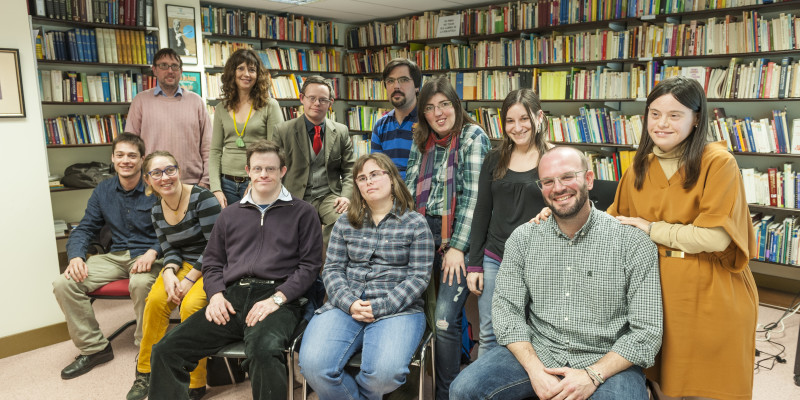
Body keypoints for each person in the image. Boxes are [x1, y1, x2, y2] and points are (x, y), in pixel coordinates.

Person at [450, 146, 663, 400]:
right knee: (463, 390)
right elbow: (507, 313)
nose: (558, 188)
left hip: (608, 359)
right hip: (541, 350)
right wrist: (535, 370)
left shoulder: (632, 242)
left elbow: (646, 332)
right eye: (548, 181)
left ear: (589, 179)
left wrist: (592, 375)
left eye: (567, 177)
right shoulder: (523, 239)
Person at [607, 76, 758, 400]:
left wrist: (651, 229)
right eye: (654, 113)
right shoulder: (638, 169)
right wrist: (556, 215)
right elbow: (613, 222)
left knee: (708, 386)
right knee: (663, 382)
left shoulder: (718, 163)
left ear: (696, 118)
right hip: (656, 293)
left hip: (710, 293)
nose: (662, 123)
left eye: (675, 115)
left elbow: (716, 238)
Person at [148, 140, 323, 400]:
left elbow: (310, 267)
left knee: (264, 350)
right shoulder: (229, 215)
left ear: (282, 171)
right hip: (232, 297)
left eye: (271, 169)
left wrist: (278, 299)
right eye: (258, 168)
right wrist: (216, 294)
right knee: (166, 349)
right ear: (248, 171)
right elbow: (213, 261)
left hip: (280, 298)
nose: (264, 174)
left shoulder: (304, 212)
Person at [299, 153, 434, 400]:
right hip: (344, 305)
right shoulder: (345, 222)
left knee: (384, 375)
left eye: (374, 175)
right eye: (361, 178)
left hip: (398, 309)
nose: (368, 182)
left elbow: (419, 277)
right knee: (313, 367)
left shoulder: (415, 223)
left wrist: (381, 306)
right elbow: (332, 269)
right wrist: (349, 302)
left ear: (392, 179)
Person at [404, 75, 490, 400]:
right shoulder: (420, 138)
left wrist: (456, 247)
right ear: (423, 113)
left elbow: (474, 199)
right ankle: (412, 384)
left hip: (460, 235)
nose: (438, 113)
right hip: (422, 231)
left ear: (456, 104)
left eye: (444, 104)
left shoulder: (472, 136)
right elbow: (410, 189)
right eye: (430, 107)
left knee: (442, 318)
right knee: (415, 308)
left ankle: (446, 393)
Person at [53, 133, 162, 380]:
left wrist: (154, 250)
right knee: (64, 284)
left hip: (149, 255)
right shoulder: (103, 190)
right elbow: (86, 227)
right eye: (120, 155)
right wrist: (75, 257)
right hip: (115, 257)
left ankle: (148, 352)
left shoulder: (155, 186)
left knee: (141, 283)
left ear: (142, 159)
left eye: (132, 155)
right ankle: (94, 349)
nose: (126, 160)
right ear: (112, 158)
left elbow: (171, 228)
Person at [126, 151, 222, 400]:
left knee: (191, 306)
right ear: (148, 180)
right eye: (156, 173)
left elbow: (216, 246)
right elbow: (168, 247)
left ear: (179, 170)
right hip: (182, 265)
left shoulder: (203, 198)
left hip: (213, 264)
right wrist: (169, 271)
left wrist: (190, 280)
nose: (165, 177)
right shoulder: (156, 207)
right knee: (156, 301)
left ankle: (195, 381)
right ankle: (145, 371)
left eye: (170, 170)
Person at [466, 88, 550, 356]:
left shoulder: (553, 160)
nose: (517, 127)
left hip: (539, 260)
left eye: (524, 119)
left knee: (532, 335)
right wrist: (475, 264)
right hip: (494, 257)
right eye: (510, 121)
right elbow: (481, 211)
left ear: (539, 117)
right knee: (489, 333)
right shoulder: (494, 158)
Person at [273, 75, 355, 245]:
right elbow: (274, 169)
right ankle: (308, 266)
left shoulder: (341, 131)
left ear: (330, 103)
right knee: (291, 232)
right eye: (312, 98)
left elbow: (350, 170)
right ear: (302, 98)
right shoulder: (283, 131)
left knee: (343, 221)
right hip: (294, 197)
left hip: (329, 196)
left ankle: (325, 265)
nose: (317, 103)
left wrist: (346, 197)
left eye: (323, 100)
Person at [125, 48, 212, 187]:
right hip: (153, 184)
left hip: (192, 184)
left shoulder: (196, 102)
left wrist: (205, 182)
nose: (170, 71)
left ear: (181, 71)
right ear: (154, 70)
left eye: (175, 66)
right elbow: (130, 147)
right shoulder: (140, 101)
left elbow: (208, 148)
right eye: (164, 65)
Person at [209, 48, 284, 207]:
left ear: (258, 75)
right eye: (240, 68)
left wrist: (255, 182)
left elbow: (276, 149)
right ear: (232, 73)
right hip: (226, 183)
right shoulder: (221, 108)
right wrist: (216, 188)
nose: (247, 74)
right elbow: (215, 151)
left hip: (258, 181)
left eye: (252, 70)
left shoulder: (270, 106)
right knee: (231, 230)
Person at [371, 58, 422, 179]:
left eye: (403, 80)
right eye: (390, 81)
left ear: (417, 86)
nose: (396, 86)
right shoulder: (380, 126)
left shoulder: (427, 121)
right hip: (389, 192)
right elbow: (377, 170)